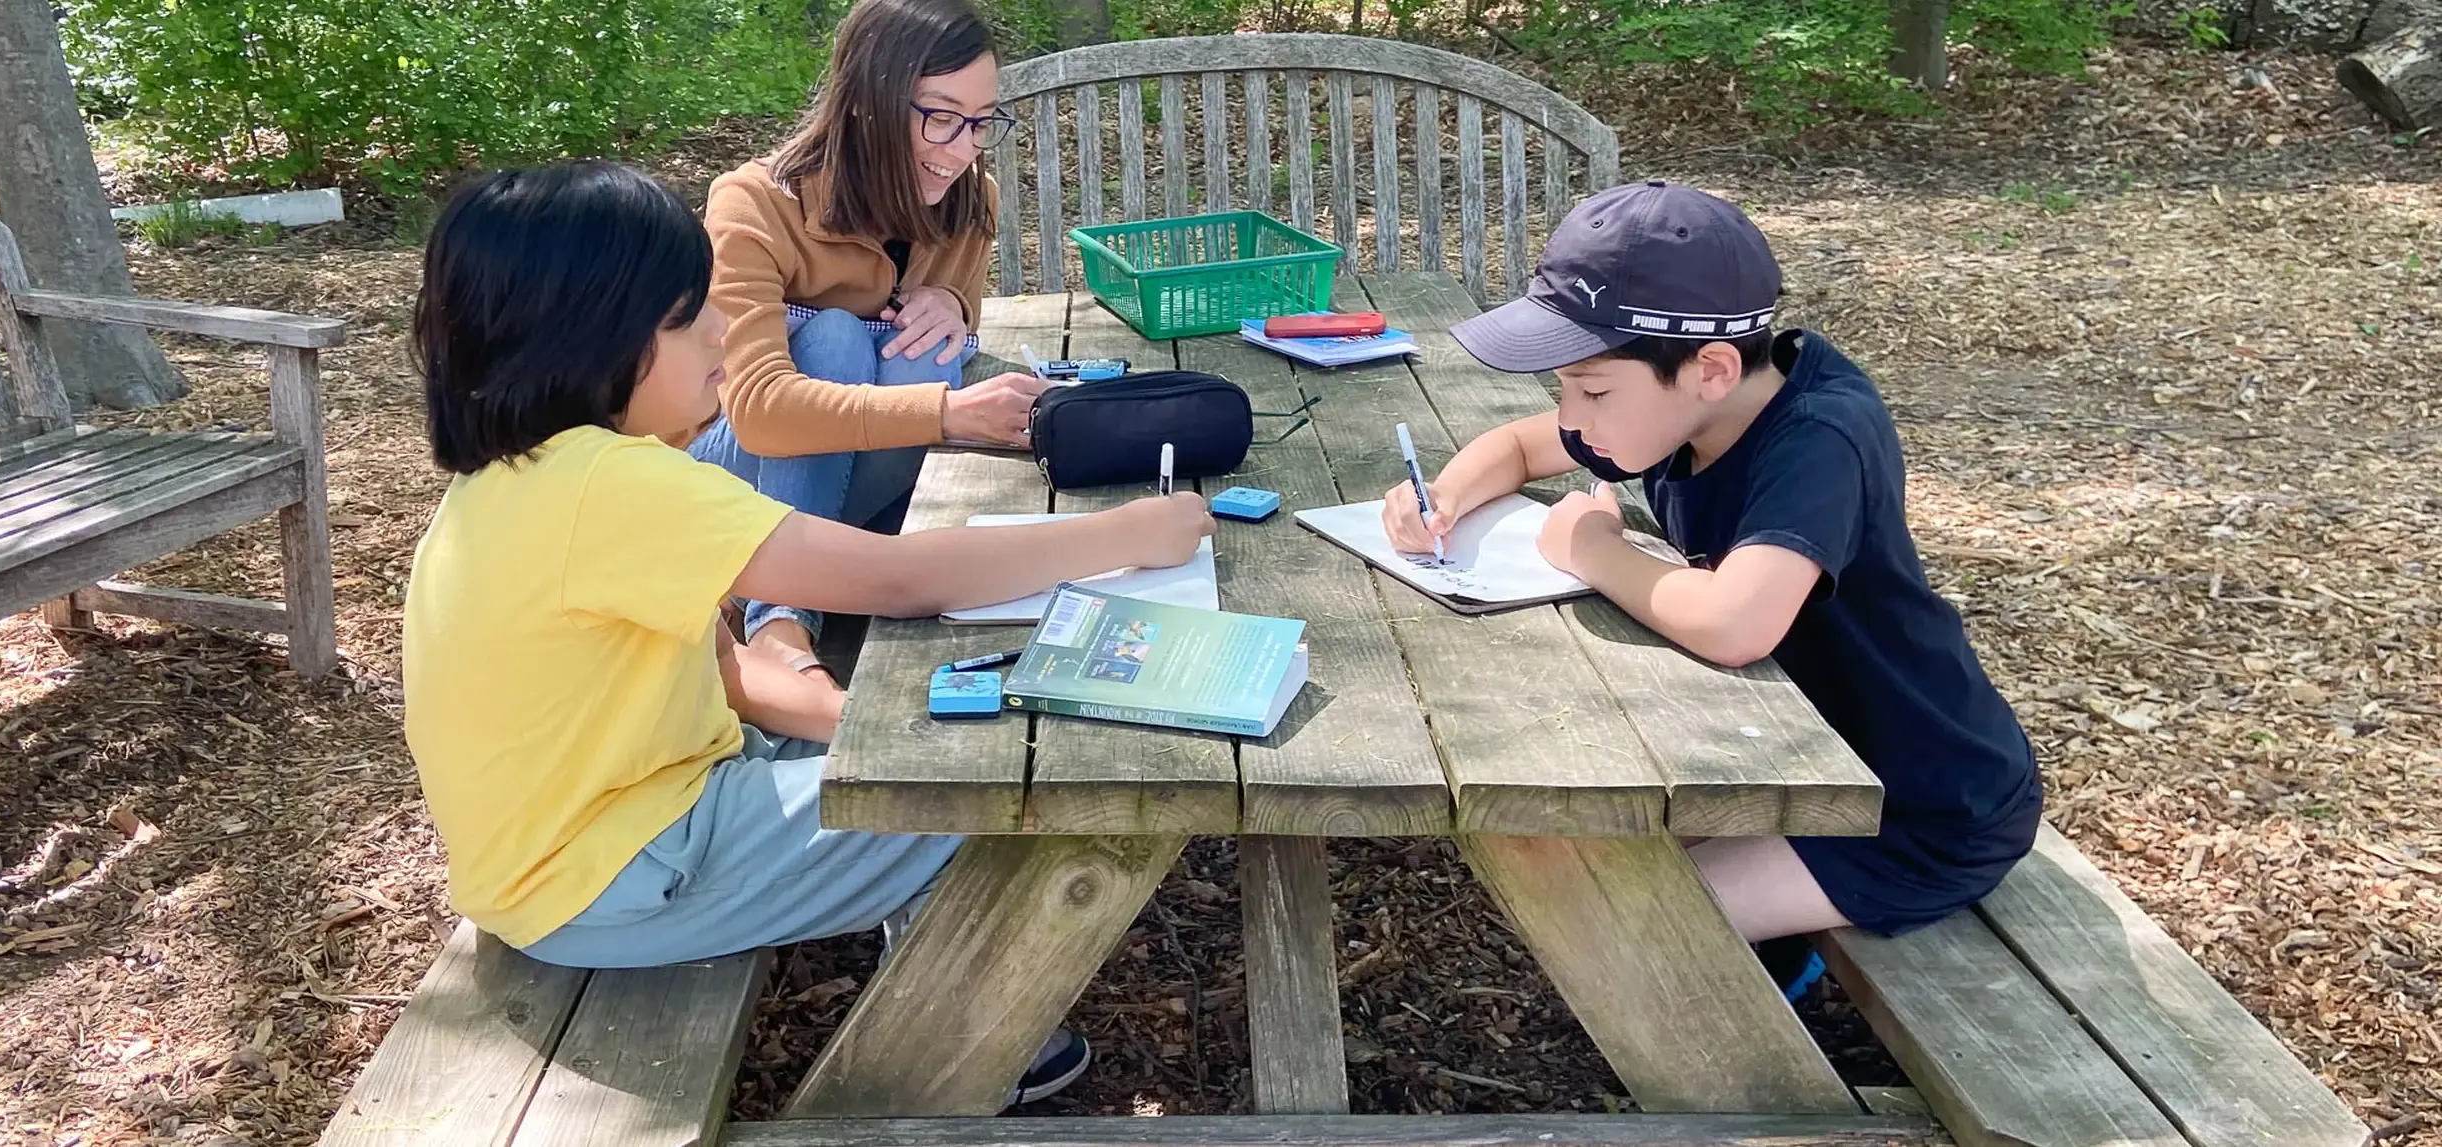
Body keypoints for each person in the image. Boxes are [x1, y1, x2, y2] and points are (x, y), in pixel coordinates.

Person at [401, 160, 1214, 1106]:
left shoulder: (524, 475)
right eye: (681, 317)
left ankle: (929, 957)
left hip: (591, 840)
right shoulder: (609, 485)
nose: (722, 330)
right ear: (580, 341)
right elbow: (902, 580)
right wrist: (1127, 534)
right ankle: (946, 1041)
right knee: (1021, 769)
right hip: (618, 870)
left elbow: (730, 674)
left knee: (947, 720)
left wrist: (859, 719)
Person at [1383, 180, 2043, 998]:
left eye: (1589, 390)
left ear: (1712, 369)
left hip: (1916, 806)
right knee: (1575, 853)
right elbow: (1518, 446)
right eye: (1565, 389)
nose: (1573, 419)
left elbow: (1737, 624)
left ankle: (1772, 1036)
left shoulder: (1820, 438)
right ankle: (1773, 944)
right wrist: (1441, 495)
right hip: (1789, 755)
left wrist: (1595, 550)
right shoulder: (1677, 407)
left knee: (1616, 923)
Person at [694, 0, 1041, 677]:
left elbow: (955, 320)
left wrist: (951, 305)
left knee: (925, 352)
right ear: (866, 102)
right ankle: (781, 619)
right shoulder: (753, 205)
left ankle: (793, 595)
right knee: (834, 338)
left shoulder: (971, 201)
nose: (962, 148)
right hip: (723, 485)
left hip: (842, 508)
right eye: (941, 116)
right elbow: (758, 410)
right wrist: (951, 413)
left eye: (980, 122)